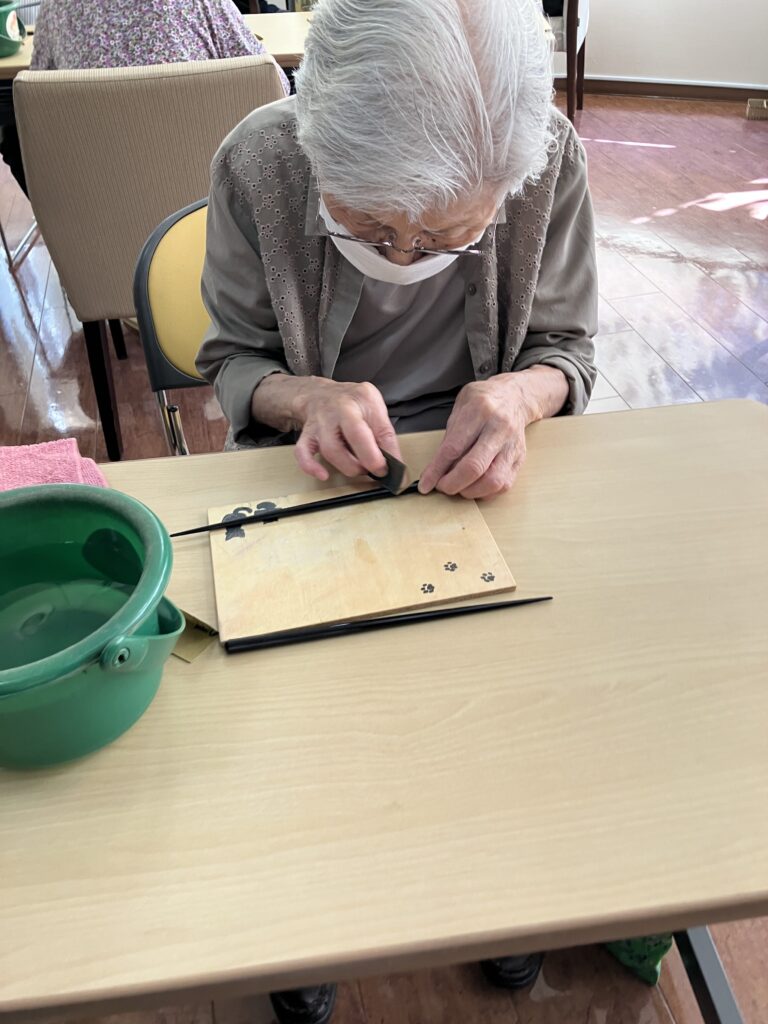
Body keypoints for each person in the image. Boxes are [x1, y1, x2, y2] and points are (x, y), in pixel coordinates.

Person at [197, 0, 669, 1020]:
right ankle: (308, 921)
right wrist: (305, 398)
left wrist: (518, 396)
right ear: (315, 138)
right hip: (308, 469)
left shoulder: (544, 160)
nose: (407, 253)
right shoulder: (259, 162)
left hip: (482, 469)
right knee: (306, 714)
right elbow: (232, 361)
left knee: (516, 703)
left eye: (449, 237)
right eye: (371, 229)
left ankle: (500, 896)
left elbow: (567, 352)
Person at [0, 0, 290, 195]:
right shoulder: (204, 4)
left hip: (96, 221)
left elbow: (37, 105)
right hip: (210, 213)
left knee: (14, 137)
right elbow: (274, 87)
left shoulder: (54, 8)